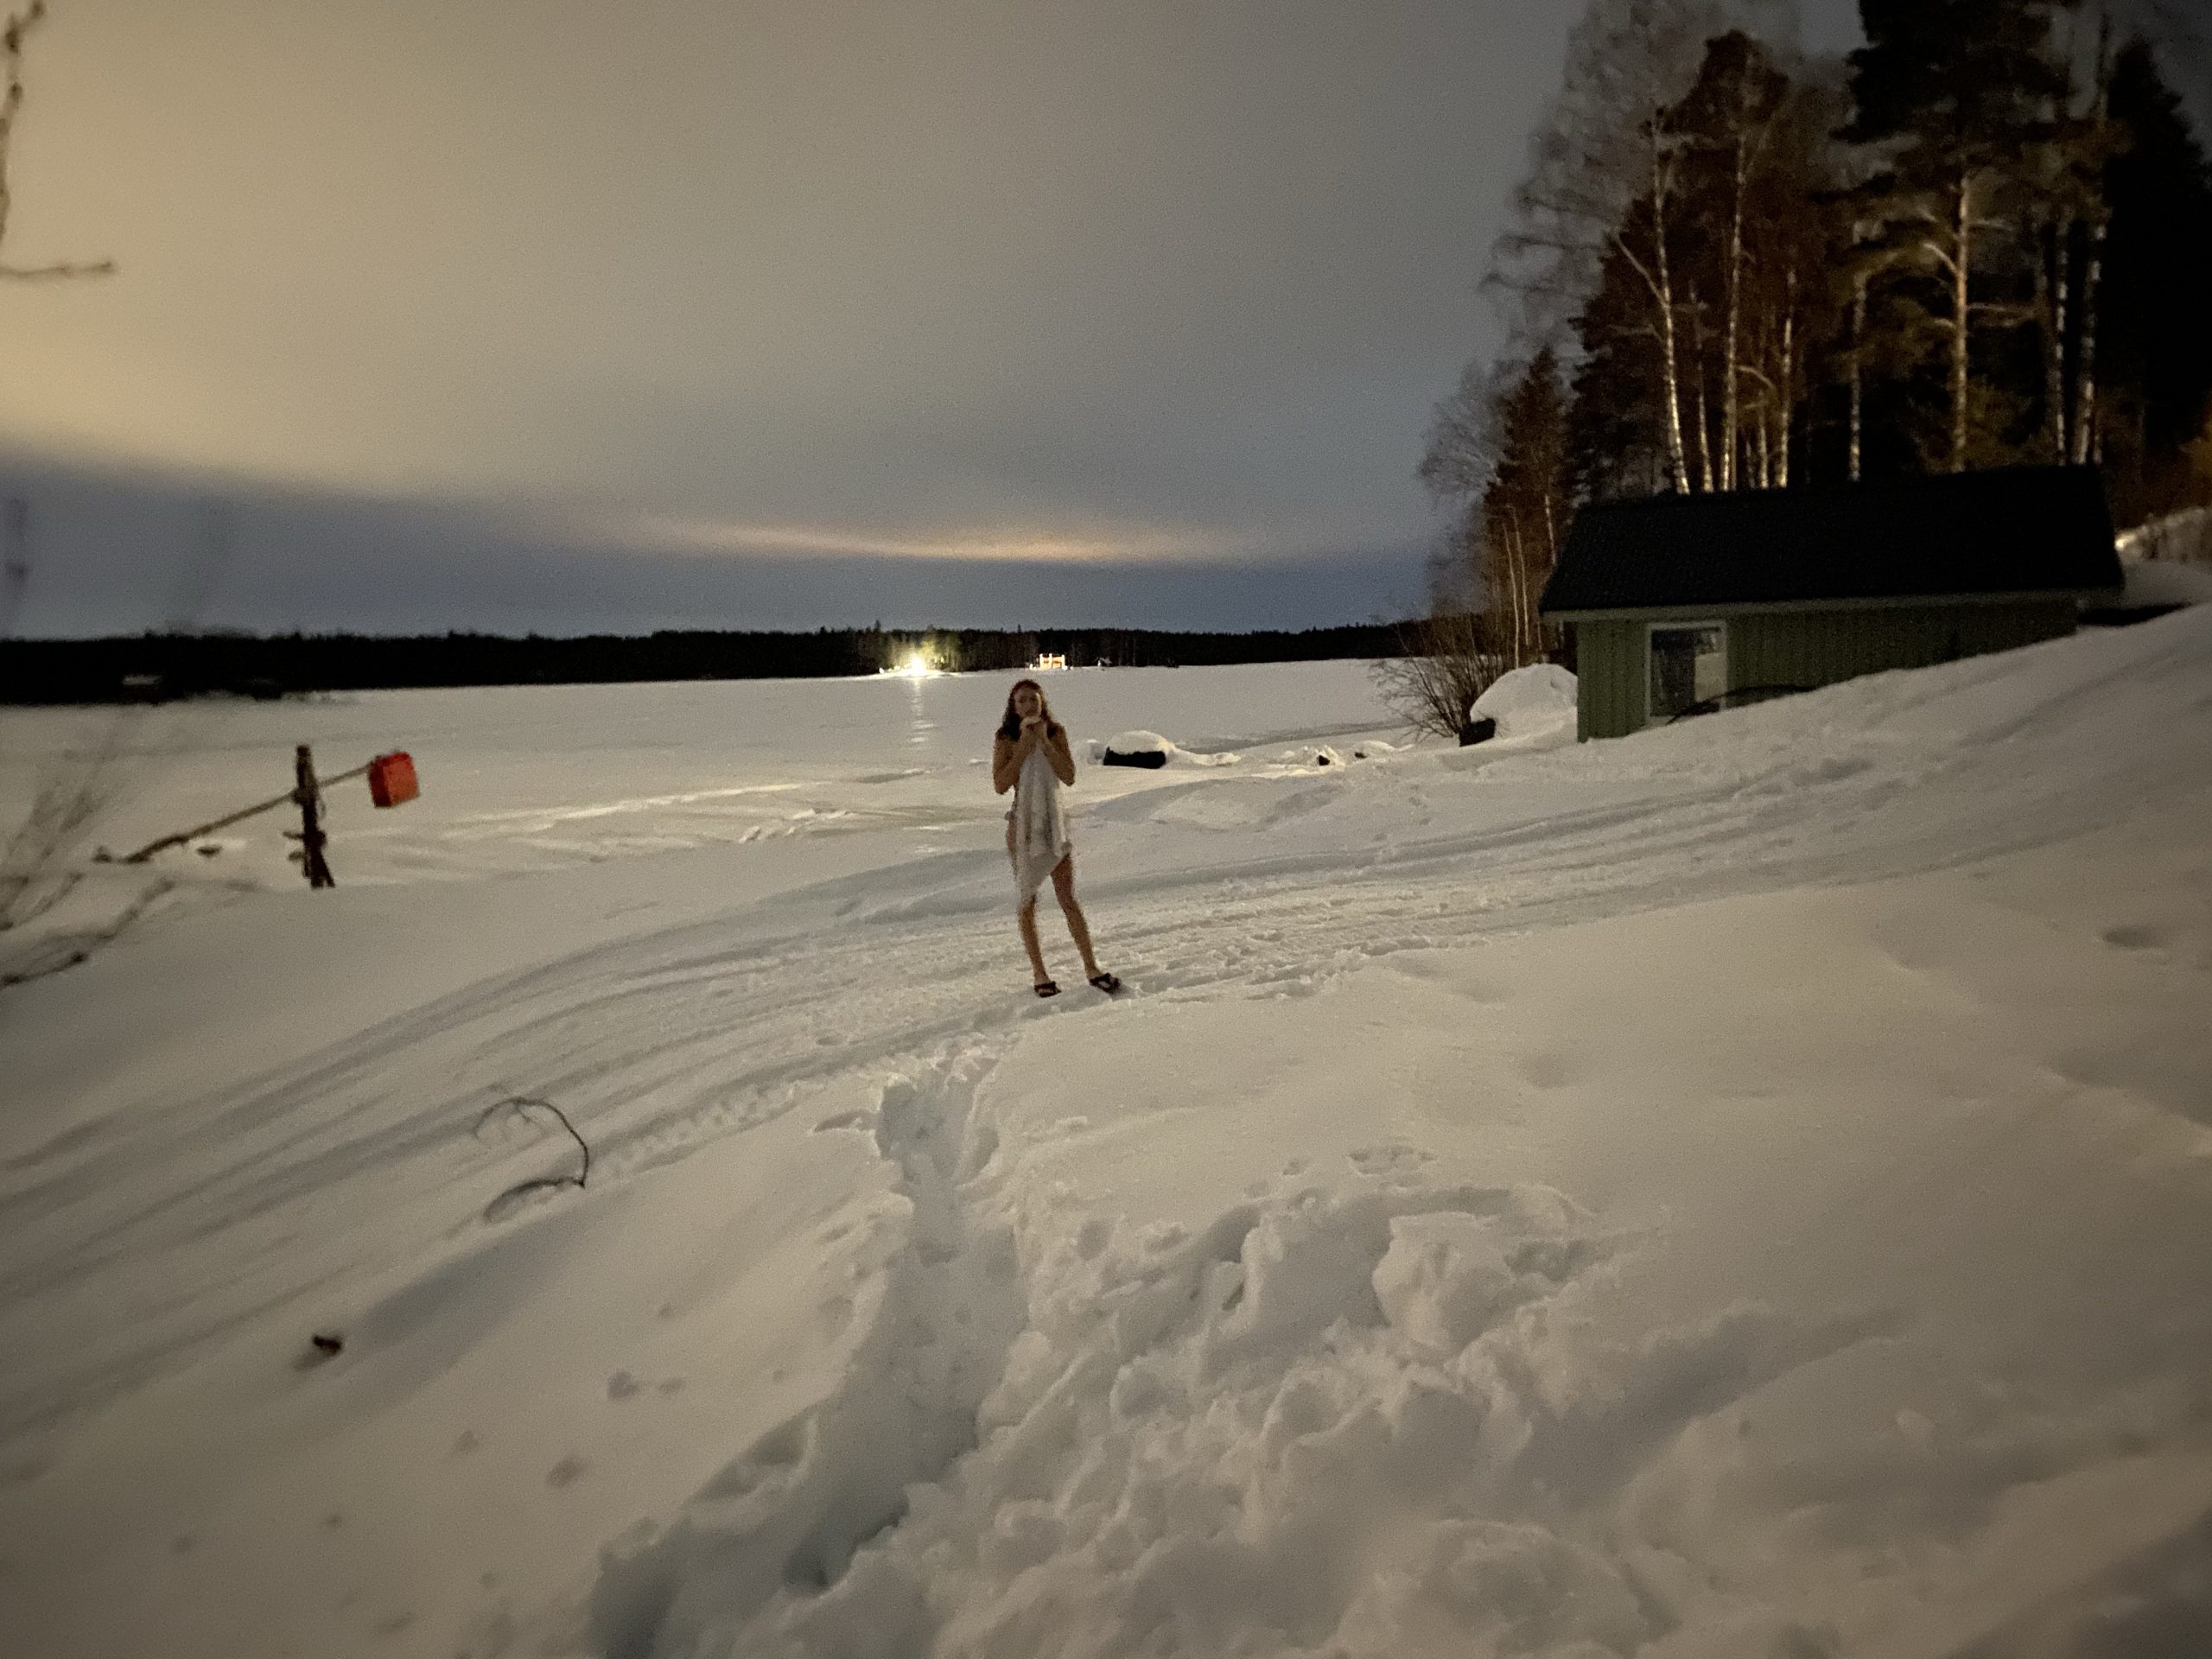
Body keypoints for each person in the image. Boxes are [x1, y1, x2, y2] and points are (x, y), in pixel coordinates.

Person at [993, 677, 1120, 998]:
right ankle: (1040, 973)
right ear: (1013, 706)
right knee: (1027, 900)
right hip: (1023, 824)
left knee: (1068, 898)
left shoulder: (1055, 732)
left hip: (1054, 824)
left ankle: (1091, 966)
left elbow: (1069, 776)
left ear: (1042, 702)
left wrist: (1045, 745)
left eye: (1032, 699)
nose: (1028, 705)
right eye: (1021, 700)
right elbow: (1000, 784)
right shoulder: (1005, 738)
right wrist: (1022, 748)